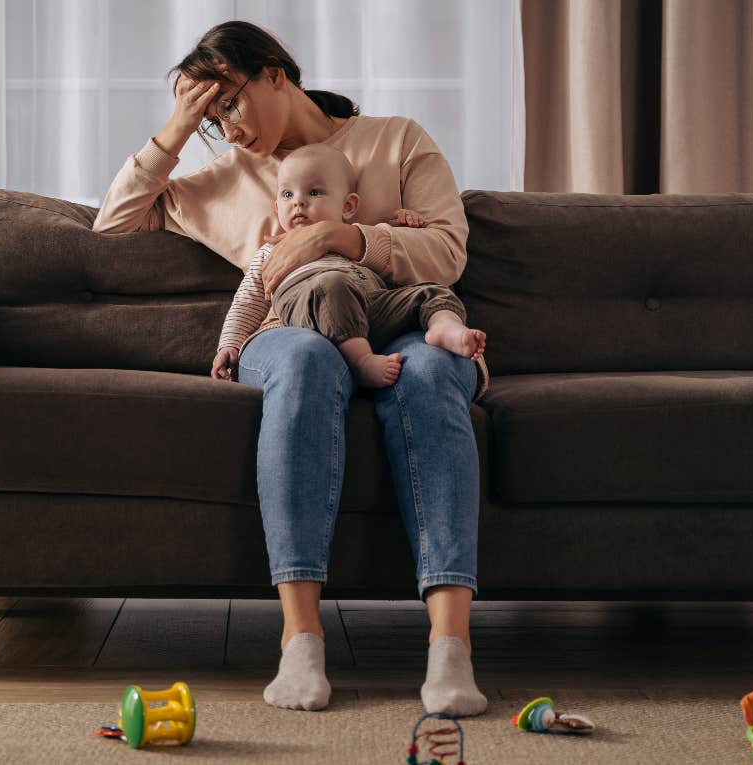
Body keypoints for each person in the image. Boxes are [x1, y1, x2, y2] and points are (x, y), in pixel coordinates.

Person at [93, 20, 488, 718]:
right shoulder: (223, 181)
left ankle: (450, 645)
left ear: (276, 73)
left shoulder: (395, 139)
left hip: (402, 321)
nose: (228, 126)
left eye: (231, 102)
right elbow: (113, 225)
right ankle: (300, 637)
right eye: (214, 116)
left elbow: (448, 252)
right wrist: (178, 130)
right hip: (292, 330)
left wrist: (344, 235)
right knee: (305, 359)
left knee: (429, 372)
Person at [210, 142, 487, 389]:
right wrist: (229, 344)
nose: (299, 202)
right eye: (287, 195)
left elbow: (394, 251)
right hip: (313, 311)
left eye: (314, 192)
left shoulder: (359, 235)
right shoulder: (272, 249)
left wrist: (406, 222)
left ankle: (443, 327)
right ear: (276, 208)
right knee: (332, 285)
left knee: (431, 291)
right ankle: (362, 361)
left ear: (348, 206)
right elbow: (248, 301)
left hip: (369, 309)